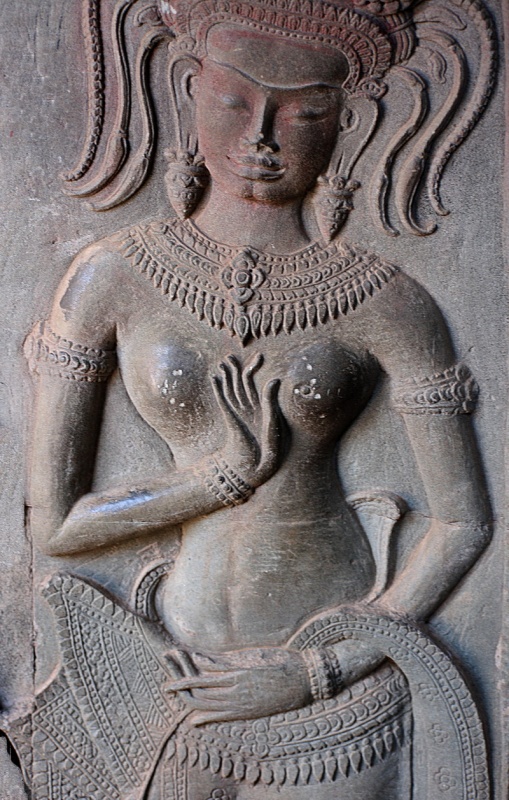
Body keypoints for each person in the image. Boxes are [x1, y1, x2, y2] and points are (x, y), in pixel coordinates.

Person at [22, 2, 495, 799]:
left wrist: (319, 669)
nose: (262, 137)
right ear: (188, 91)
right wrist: (218, 479)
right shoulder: (110, 276)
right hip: (176, 672)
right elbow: (57, 526)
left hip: (335, 689)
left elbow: (461, 521)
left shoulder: (386, 297)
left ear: (347, 123)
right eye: (233, 101)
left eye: (303, 114)